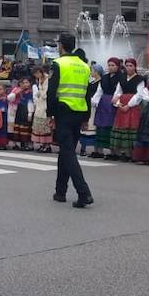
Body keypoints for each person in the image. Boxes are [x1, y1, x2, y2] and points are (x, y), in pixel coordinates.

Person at [50, 34, 94, 208]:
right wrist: (86, 117)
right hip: (79, 111)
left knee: (68, 153)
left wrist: (50, 114)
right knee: (65, 151)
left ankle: (84, 193)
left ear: (61, 46)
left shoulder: (59, 64)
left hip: (63, 112)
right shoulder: (84, 66)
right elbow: (88, 94)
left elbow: (51, 92)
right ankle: (60, 191)